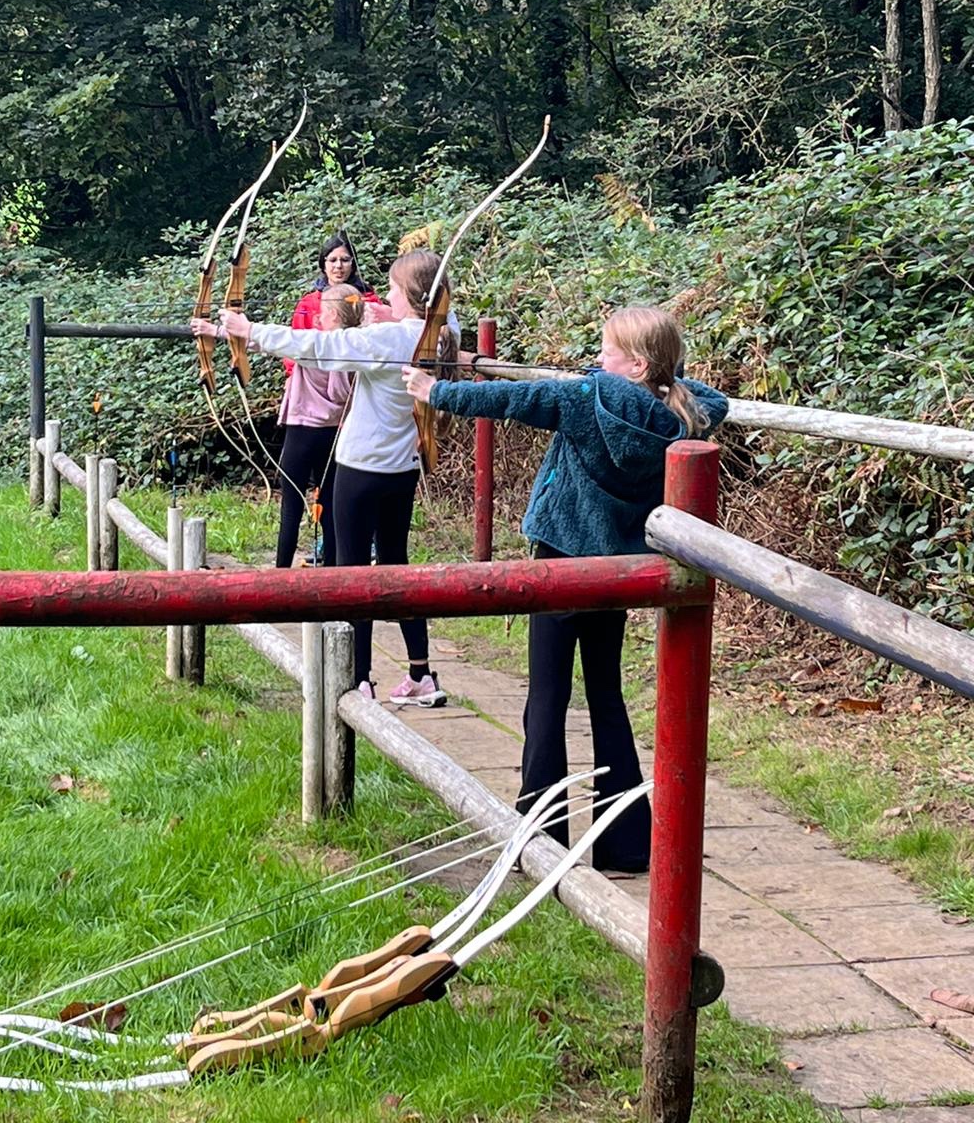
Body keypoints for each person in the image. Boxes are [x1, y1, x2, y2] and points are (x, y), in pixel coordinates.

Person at [402, 306, 727, 871]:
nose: (597, 359)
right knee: (606, 694)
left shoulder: (587, 398)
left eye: (607, 351)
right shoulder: (684, 413)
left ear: (637, 364)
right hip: (618, 572)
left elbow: (513, 400)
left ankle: (539, 836)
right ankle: (626, 844)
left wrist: (435, 390)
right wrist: (658, 378)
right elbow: (708, 396)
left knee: (548, 696)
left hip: (561, 564)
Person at [193, 249, 455, 707]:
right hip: (402, 470)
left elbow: (317, 346)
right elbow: (436, 321)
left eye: (392, 289)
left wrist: (248, 331)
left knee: (352, 574)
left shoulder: (388, 339)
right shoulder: (444, 333)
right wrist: (386, 317)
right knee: (397, 566)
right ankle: (421, 674)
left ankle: (360, 678)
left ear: (412, 296)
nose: (385, 296)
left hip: (360, 470)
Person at [273, 282, 364, 569]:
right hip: (334, 434)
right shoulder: (359, 346)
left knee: (291, 509)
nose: (317, 316)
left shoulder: (312, 344)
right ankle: (332, 573)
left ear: (334, 315)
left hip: (301, 434)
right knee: (331, 507)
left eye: (322, 311)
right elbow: (343, 393)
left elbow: (271, 341)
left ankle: (280, 575)